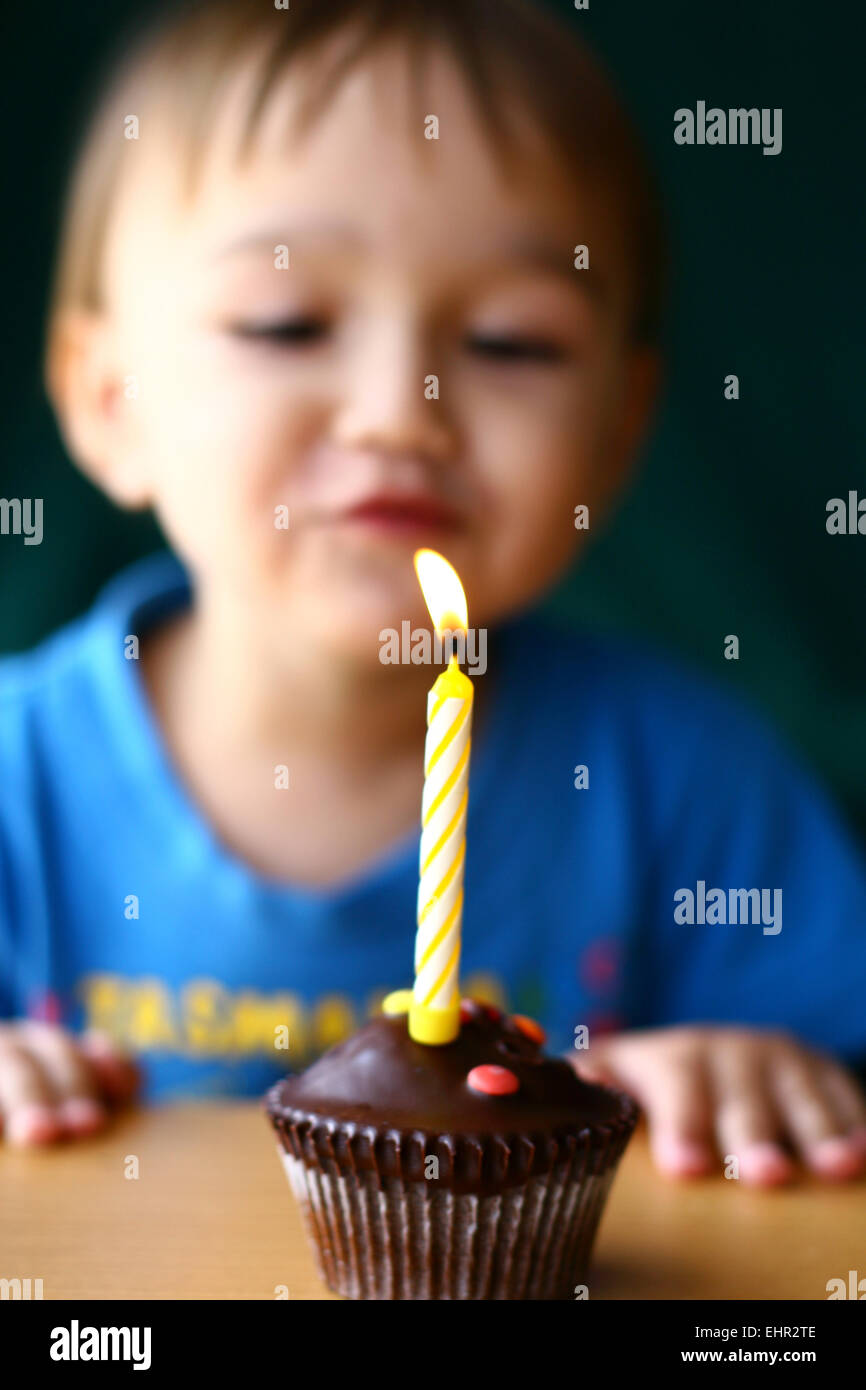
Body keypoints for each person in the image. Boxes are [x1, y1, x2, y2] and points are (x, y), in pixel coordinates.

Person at [1, 0, 864, 1188]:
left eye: (512, 342)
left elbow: (820, 1106)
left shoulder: (692, 785)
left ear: (619, 427)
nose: (399, 412)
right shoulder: (18, 779)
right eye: (285, 320)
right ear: (108, 401)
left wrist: (750, 1079)